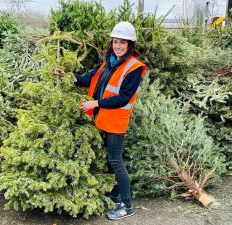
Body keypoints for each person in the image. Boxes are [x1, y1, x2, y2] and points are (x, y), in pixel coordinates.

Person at [55, 21, 147, 220]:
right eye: (115, 41)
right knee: (111, 159)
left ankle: (127, 206)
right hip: (104, 118)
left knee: (116, 160)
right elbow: (89, 79)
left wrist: (96, 103)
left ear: (130, 45)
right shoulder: (108, 61)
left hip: (116, 121)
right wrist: (67, 77)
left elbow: (123, 97)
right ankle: (115, 196)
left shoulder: (134, 68)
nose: (118, 46)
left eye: (123, 42)